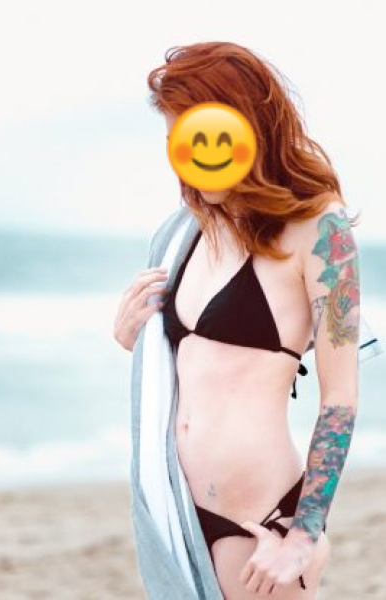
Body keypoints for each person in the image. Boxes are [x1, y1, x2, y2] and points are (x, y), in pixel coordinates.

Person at [114, 41, 360, 599]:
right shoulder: (184, 233)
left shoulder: (321, 228)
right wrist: (136, 337)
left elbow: (340, 398)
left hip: (261, 523)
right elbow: (194, 369)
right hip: (176, 516)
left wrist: (304, 532)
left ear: (246, 126)